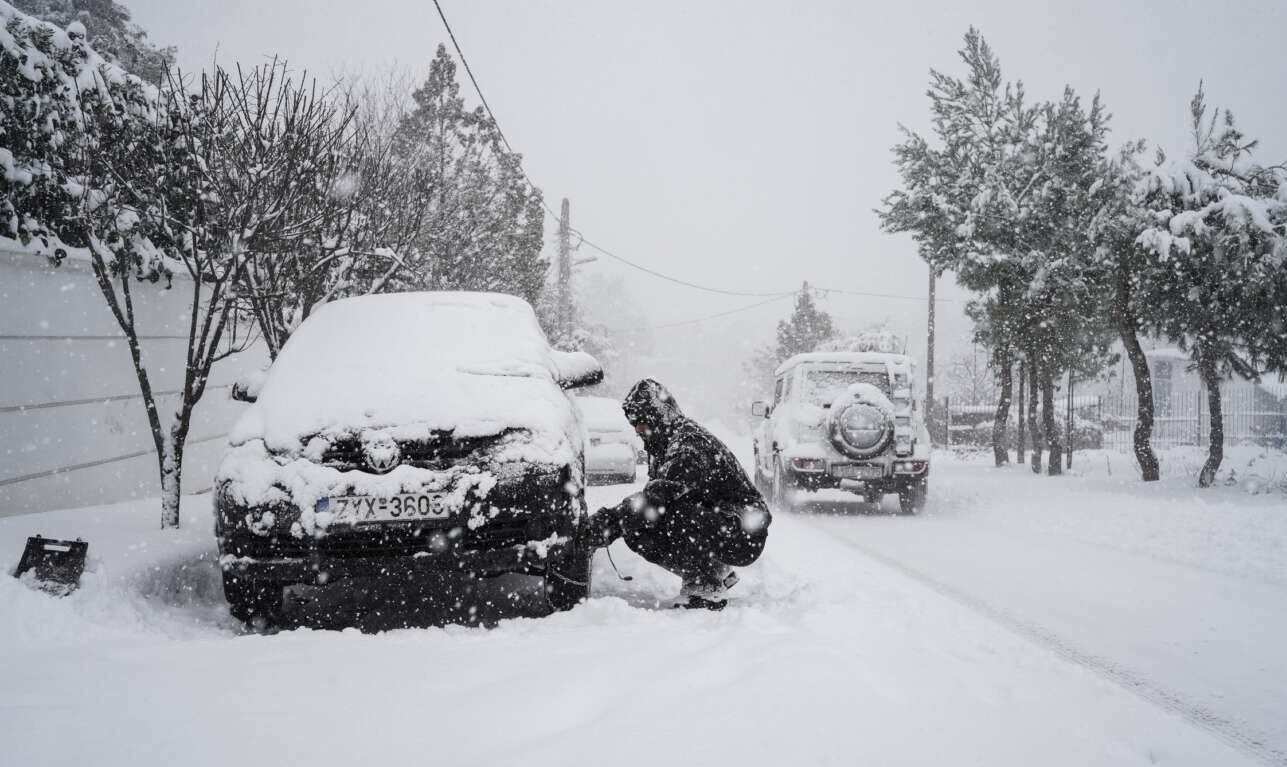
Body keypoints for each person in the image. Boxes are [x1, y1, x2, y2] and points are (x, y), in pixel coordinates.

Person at [581, 379, 771, 610]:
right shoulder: (663, 441)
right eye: (633, 423)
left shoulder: (688, 445)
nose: (637, 429)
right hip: (721, 521)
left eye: (641, 421)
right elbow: (651, 495)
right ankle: (715, 571)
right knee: (638, 528)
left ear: (658, 416)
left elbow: (655, 499)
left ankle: (706, 585)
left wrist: (604, 525)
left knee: (674, 511)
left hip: (744, 529)